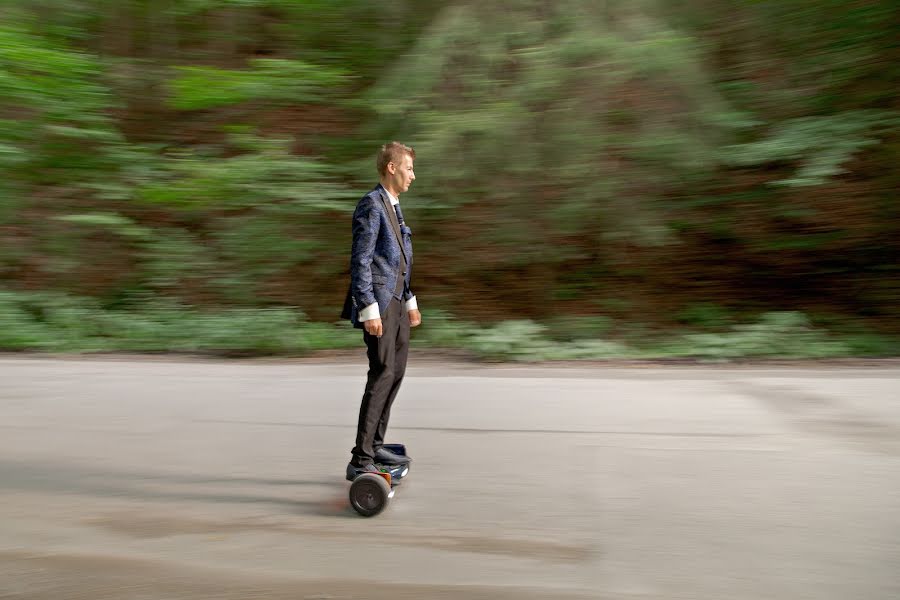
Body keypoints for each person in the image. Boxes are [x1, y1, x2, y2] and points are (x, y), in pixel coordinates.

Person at [341, 142, 422, 480]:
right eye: (409, 168)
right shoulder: (371, 205)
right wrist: (368, 309)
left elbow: (399, 260)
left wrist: (410, 300)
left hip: (396, 303)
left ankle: (375, 445)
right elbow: (361, 260)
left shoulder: (394, 206)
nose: (413, 176)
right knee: (383, 373)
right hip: (378, 304)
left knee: (396, 372)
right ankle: (361, 459)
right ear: (392, 168)